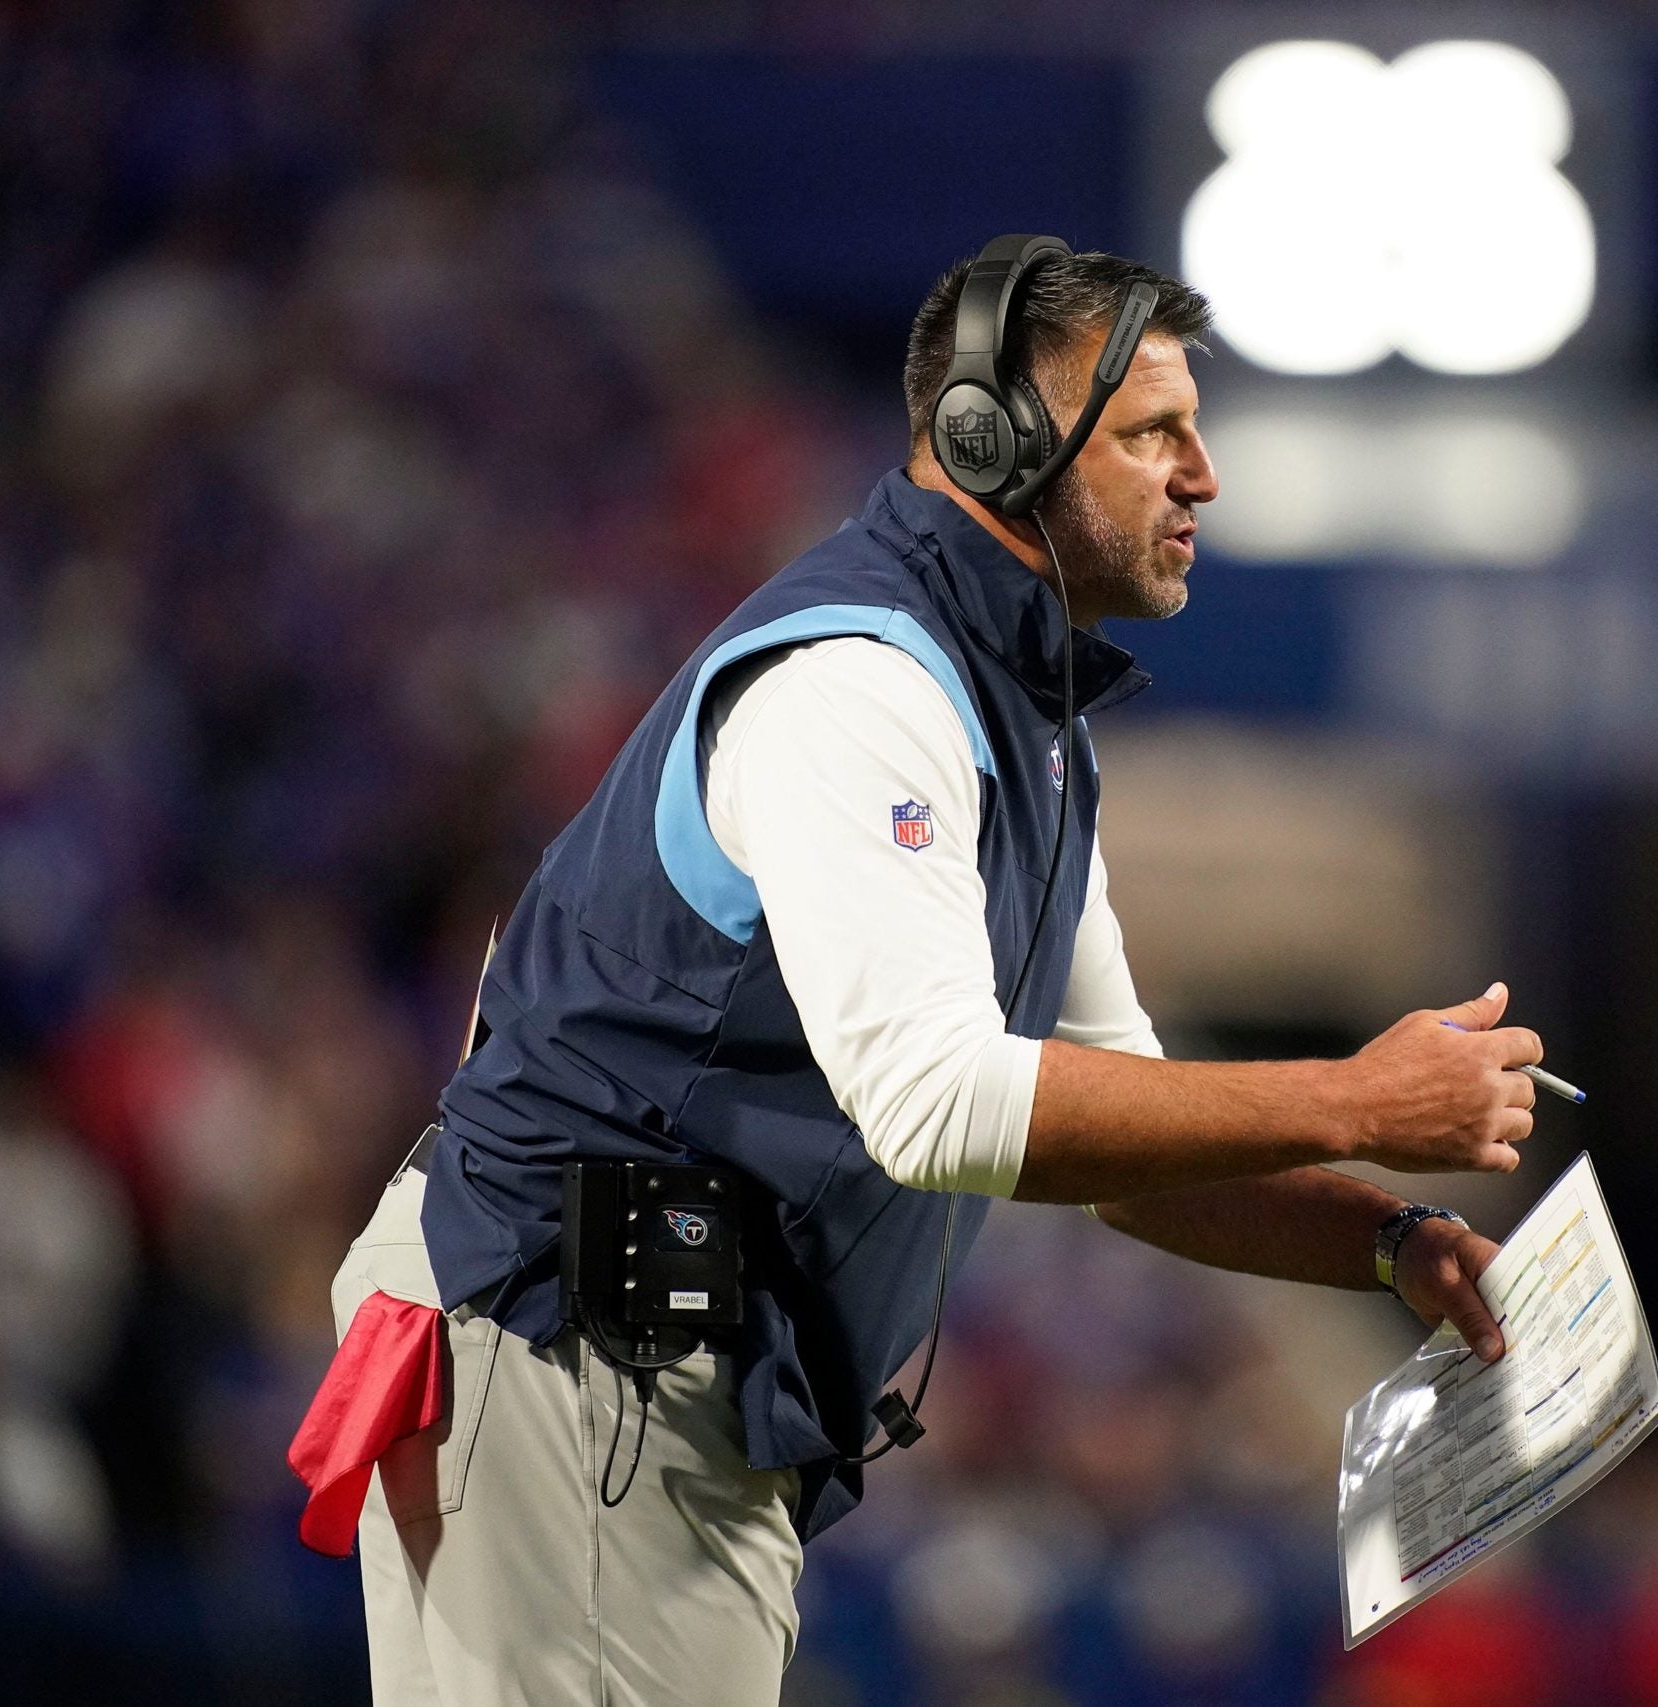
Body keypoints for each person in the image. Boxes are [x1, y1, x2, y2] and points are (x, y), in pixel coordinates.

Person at [306, 238, 1551, 1706]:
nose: (1205, 475)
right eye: (1155, 432)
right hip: (564, 1343)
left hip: (652, 1371)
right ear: (994, 441)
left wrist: (1382, 1241)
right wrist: (1353, 1097)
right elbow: (940, 1111)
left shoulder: (1022, 720)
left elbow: (1123, 1149)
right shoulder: (866, 683)